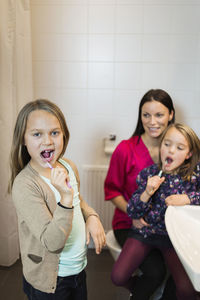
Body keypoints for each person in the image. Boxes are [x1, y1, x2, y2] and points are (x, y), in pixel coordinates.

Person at [8, 99, 106, 300]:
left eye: (54, 132)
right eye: (37, 134)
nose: (48, 141)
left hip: (78, 270)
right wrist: (65, 198)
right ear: (23, 140)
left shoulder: (68, 166)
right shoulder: (25, 185)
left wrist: (92, 216)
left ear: (64, 135)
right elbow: (52, 242)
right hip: (51, 281)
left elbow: (79, 202)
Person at [111, 123, 200, 300]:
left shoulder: (194, 176)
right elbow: (132, 210)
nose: (171, 151)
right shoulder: (148, 174)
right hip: (146, 232)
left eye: (179, 147)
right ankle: (140, 288)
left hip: (174, 238)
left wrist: (188, 198)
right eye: (167, 144)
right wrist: (146, 193)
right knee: (118, 277)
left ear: (189, 154)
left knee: (187, 290)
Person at [104, 89, 176, 299]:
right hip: (128, 223)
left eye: (159, 115)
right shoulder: (126, 149)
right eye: (146, 115)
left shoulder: (176, 150)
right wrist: (133, 214)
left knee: (183, 271)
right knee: (155, 272)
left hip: (164, 226)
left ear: (171, 114)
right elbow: (112, 190)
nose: (152, 121)